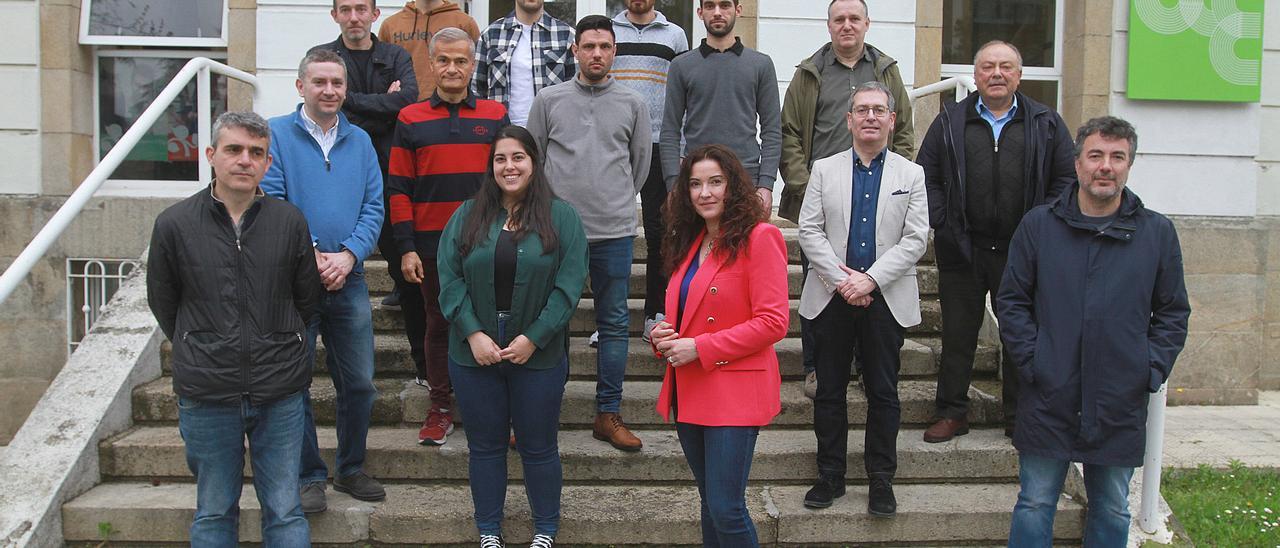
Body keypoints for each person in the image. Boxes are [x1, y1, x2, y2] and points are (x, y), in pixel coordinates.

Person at [997, 116, 1190, 546]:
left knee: (1112, 506)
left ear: (1129, 166)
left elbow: (1173, 312)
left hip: (1118, 396)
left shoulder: (1156, 233)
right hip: (1050, 391)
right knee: (1034, 501)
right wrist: (1034, 359)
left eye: (1117, 157)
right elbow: (1011, 301)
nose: (1106, 166)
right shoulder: (1039, 226)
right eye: (1096, 155)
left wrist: (1147, 368)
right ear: (1078, 163)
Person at [147, 111, 320, 546]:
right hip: (207, 392)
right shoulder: (174, 224)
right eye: (234, 150)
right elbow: (164, 302)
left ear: (267, 163)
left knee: (284, 511)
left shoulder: (289, 221)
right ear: (211, 156)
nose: (245, 160)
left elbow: (307, 300)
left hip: (279, 390)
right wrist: (201, 345)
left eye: (256, 152)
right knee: (213, 512)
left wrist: (281, 345)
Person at [916, 40, 1076, 443]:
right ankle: (952, 412)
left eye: (1006, 66)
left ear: (1018, 75)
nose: (997, 74)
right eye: (988, 67)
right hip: (963, 247)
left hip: (1023, 251)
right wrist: (944, 222)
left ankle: (1020, 417)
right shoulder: (950, 120)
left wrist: (1041, 227)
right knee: (957, 335)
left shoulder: (1045, 122)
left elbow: (1065, 181)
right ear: (977, 74)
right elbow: (927, 176)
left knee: (1020, 335)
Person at [436, 125, 588, 548]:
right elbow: (448, 279)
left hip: (537, 354)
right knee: (485, 446)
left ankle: (545, 529)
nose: (509, 166)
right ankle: (488, 530)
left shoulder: (563, 217)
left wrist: (534, 337)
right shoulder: (467, 214)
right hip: (475, 354)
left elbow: (569, 285)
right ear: (491, 167)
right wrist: (473, 333)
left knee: (539, 446)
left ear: (534, 163)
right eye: (500, 158)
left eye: (518, 157)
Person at [261, 49, 386, 514]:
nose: (329, 90)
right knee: (296, 384)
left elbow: (374, 206)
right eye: (319, 82)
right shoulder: (276, 134)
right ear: (301, 86)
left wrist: (350, 254)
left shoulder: (362, 142)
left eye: (336, 82)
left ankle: (350, 468)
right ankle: (309, 474)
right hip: (294, 284)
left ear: (345, 89)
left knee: (359, 383)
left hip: (348, 279)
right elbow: (273, 200)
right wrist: (311, 254)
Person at [798, 82, 928, 516]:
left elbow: (915, 240)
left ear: (892, 120)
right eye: (861, 110)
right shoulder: (823, 169)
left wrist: (869, 280)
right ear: (849, 119)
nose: (870, 117)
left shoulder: (912, 174)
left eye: (879, 110)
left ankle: (881, 481)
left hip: (884, 298)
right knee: (830, 392)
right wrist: (842, 281)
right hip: (831, 297)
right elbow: (810, 230)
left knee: (884, 393)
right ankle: (830, 476)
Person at [649, 144, 789, 548]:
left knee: (727, 507)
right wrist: (664, 336)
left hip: (735, 390)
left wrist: (701, 347)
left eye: (715, 182)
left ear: (733, 187)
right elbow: (685, 315)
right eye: (695, 184)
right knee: (710, 503)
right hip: (691, 389)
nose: (704, 192)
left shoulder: (761, 237)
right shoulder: (690, 243)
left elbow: (773, 322)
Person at [526, 14, 651, 452]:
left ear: (615, 51)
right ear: (575, 50)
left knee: (614, 324)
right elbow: (532, 161)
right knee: (550, 321)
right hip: (557, 233)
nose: (597, 53)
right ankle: (539, 415)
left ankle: (607, 413)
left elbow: (639, 166)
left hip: (614, 232)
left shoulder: (634, 103)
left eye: (605, 46)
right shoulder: (549, 100)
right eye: (589, 46)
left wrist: (613, 201)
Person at [780, 0, 915, 399]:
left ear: (867, 24)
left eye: (854, 18)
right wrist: (808, 191)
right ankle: (814, 367)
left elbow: (904, 128)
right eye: (839, 19)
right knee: (818, 286)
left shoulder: (886, 71)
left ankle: (863, 366)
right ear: (829, 25)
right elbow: (789, 133)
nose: (847, 25)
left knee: (871, 283)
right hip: (822, 201)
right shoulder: (810, 73)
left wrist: (897, 182)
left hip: (878, 201)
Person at [388, 28, 509, 446]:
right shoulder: (410, 118)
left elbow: (509, 180)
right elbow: (399, 188)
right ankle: (440, 407)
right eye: (444, 60)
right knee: (439, 324)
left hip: (488, 244)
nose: (453, 68)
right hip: (431, 245)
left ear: (472, 64)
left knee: (493, 324)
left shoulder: (495, 115)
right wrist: (405, 248)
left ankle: (497, 409)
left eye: (461, 60)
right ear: (433, 63)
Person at [312, 0, 425, 407]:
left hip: (393, 172)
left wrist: (351, 102)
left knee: (408, 276)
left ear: (375, 15)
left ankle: (424, 368)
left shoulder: (395, 55)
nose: (354, 16)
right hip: (341, 175)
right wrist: (382, 101)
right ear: (336, 15)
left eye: (362, 8)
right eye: (346, 9)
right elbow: (339, 109)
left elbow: (406, 102)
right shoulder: (323, 60)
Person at [611, 0, 690, 342]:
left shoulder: (674, 35)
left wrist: (682, 146)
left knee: (660, 230)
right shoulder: (609, 31)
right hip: (614, 142)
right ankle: (609, 317)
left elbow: (684, 92)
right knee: (611, 229)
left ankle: (653, 313)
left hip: (660, 143)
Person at [662, 0, 781, 211]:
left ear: (738, 10)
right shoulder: (681, 66)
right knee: (699, 244)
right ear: (700, 12)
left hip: (746, 179)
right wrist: (673, 183)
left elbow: (772, 130)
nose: (717, 12)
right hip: (698, 181)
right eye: (710, 6)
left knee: (743, 245)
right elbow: (670, 130)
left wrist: (766, 184)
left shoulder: (760, 64)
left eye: (725, 5)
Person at [472, 0, 576, 126]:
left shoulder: (567, 35)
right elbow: (476, 91)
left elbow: (575, 94)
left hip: (552, 131)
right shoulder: (490, 35)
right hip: (501, 133)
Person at [377, 0, 480, 101]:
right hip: (402, 108)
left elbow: (476, 74)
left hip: (450, 108)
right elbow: (380, 74)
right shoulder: (390, 25)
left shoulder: (465, 23)